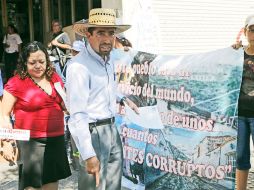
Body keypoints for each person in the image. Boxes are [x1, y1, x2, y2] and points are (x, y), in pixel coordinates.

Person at [66, 8, 139, 190]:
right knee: (94, 187)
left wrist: (123, 99)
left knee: (113, 186)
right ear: (88, 35)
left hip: (111, 130)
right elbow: (78, 115)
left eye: (110, 33)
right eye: (100, 33)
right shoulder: (78, 67)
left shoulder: (108, 59)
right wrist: (88, 154)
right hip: (91, 134)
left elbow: (103, 90)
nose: (107, 39)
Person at [1, 41, 71, 190]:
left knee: (52, 183)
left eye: (41, 61)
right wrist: (6, 143)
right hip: (30, 142)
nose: (38, 66)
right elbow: (4, 115)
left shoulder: (55, 78)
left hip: (55, 138)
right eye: (33, 62)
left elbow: (64, 103)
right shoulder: (15, 83)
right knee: (32, 186)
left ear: (47, 60)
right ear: (24, 63)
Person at [233, 15, 254, 190]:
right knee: (240, 157)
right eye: (252, 29)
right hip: (239, 115)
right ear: (245, 31)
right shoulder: (236, 54)